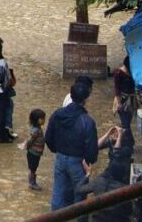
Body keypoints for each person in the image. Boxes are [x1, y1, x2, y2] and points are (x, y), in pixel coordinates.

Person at [45, 81, 99, 211]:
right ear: (85, 99)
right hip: (78, 161)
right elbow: (91, 148)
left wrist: (56, 149)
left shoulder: (58, 114)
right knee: (80, 195)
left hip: (60, 157)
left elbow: (48, 137)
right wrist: (89, 161)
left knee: (58, 192)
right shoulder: (87, 121)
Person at [19, 108, 46, 191]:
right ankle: (32, 182)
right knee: (33, 168)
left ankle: (32, 181)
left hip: (36, 152)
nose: (44, 120)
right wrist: (26, 145)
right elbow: (30, 140)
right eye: (42, 119)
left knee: (34, 167)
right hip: (34, 152)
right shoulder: (36, 131)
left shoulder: (37, 129)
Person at [113, 55, 137, 131]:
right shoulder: (119, 73)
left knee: (127, 121)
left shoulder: (132, 72)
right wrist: (119, 103)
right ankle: (127, 140)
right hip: (122, 100)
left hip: (131, 100)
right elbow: (117, 89)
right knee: (125, 123)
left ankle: (125, 140)